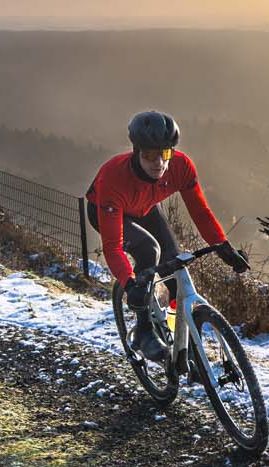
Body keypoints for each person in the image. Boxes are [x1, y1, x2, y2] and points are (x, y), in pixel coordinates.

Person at [86, 110, 247, 362]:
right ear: (136, 151)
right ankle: (143, 330)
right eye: (149, 154)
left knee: (175, 266)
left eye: (165, 153)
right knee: (148, 250)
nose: (159, 162)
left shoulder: (181, 167)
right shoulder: (113, 178)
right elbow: (112, 247)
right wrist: (130, 285)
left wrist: (223, 246)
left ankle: (181, 339)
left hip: (146, 208)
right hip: (108, 211)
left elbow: (201, 213)